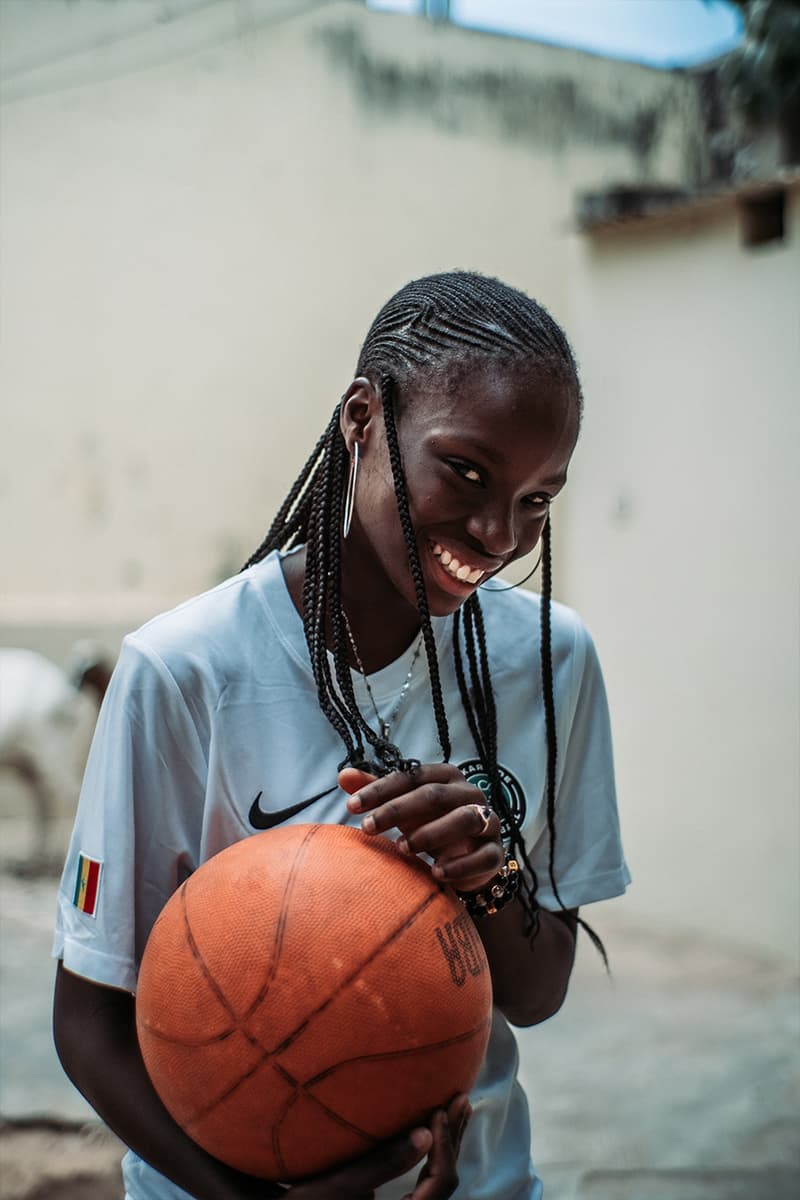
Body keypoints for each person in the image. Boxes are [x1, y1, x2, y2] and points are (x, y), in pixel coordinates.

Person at [52, 271, 630, 1200]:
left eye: (537, 499)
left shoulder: (554, 663)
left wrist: (490, 876)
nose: (496, 533)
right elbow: (88, 1023)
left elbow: (537, 993)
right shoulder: (186, 671)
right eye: (468, 472)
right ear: (364, 418)